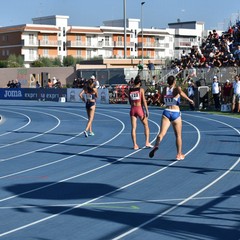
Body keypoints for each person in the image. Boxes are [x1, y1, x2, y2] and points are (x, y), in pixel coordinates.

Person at [149, 75, 194, 160]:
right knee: (178, 136)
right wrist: (189, 100)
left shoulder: (165, 89)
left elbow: (161, 100)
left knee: (161, 133)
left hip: (166, 112)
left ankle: (156, 145)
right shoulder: (176, 89)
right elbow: (181, 92)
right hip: (175, 113)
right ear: (174, 82)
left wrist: (166, 99)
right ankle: (179, 154)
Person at [128, 75, 152, 150]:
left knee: (133, 128)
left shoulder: (130, 90)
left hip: (132, 109)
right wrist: (147, 110)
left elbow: (129, 100)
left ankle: (135, 145)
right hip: (139, 109)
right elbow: (144, 101)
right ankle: (147, 142)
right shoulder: (141, 90)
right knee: (146, 125)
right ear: (139, 83)